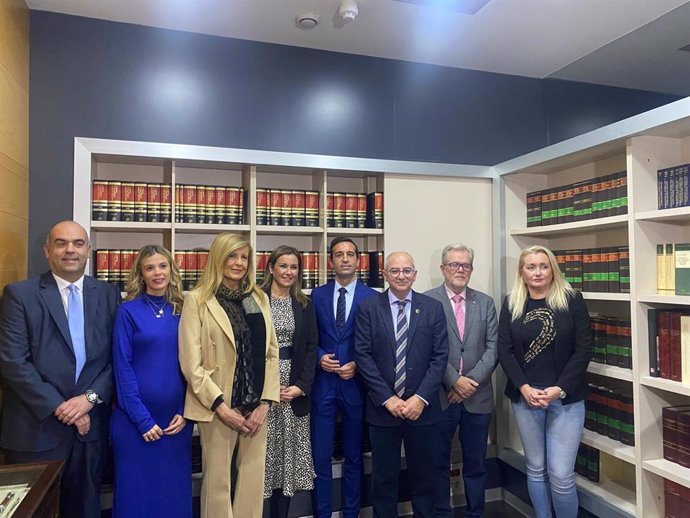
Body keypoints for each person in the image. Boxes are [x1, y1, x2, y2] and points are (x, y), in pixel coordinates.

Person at [0, 220, 119, 518]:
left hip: (90, 431)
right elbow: (13, 363)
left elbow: (115, 359)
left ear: (88, 251)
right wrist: (61, 407)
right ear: (47, 251)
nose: (70, 250)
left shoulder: (108, 294)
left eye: (78, 243)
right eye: (61, 243)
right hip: (36, 430)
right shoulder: (19, 294)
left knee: (85, 508)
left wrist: (88, 400)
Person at [178, 233, 279, 518]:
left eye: (244, 257)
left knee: (252, 481)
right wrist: (221, 407)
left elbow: (271, 353)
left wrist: (264, 403)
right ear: (218, 258)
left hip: (256, 406)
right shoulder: (197, 300)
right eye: (232, 256)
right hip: (217, 406)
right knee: (218, 483)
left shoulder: (258, 298)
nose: (238, 263)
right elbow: (191, 364)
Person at [497, 245, 592, 518]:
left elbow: (583, 349)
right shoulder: (511, 302)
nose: (538, 272)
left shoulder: (572, 300)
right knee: (536, 469)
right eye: (531, 267)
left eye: (543, 266)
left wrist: (559, 389)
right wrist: (524, 388)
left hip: (566, 399)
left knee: (561, 475)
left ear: (553, 269)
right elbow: (505, 350)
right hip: (526, 399)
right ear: (522, 272)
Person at [354, 251, 448, 518]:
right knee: (384, 481)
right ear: (385, 274)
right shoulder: (369, 309)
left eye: (407, 271)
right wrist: (388, 398)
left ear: (415, 275)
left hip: (424, 410)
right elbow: (363, 356)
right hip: (384, 411)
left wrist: (420, 398)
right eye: (395, 271)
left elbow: (440, 357)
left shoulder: (432, 308)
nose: (401, 276)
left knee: (424, 480)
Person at [111, 244, 192, 517]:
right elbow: (122, 369)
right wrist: (142, 420)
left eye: (162, 266)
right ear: (140, 274)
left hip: (174, 424)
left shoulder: (185, 310)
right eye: (149, 268)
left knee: (173, 497)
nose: (157, 273)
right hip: (136, 424)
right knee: (137, 499)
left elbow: (192, 367)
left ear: (171, 269)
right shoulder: (127, 311)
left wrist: (186, 413)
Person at [425, 244, 498, 518]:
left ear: (471, 269)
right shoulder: (428, 301)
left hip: (477, 399)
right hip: (442, 398)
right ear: (443, 268)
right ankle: (441, 513)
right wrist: (454, 381)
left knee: (476, 464)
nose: (460, 270)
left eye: (465, 265)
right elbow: (428, 349)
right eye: (454, 264)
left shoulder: (486, 302)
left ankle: (475, 513)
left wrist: (468, 384)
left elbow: (493, 350)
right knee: (438, 462)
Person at [310, 237, 377, 518]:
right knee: (320, 457)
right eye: (339, 254)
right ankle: (322, 513)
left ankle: (352, 513)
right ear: (331, 261)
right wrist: (318, 356)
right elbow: (307, 337)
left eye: (350, 254)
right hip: (323, 386)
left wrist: (359, 365)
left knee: (353, 457)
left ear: (358, 260)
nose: (345, 259)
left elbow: (378, 343)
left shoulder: (373, 297)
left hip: (356, 386)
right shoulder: (316, 295)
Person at [260, 245, 318, 518]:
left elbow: (310, 348)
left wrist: (301, 387)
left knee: (287, 463)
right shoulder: (254, 300)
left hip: (293, 392)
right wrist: (266, 388)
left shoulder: (305, 305)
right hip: (262, 393)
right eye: (283, 266)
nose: (288, 272)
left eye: (294, 267)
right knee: (263, 459)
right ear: (271, 268)